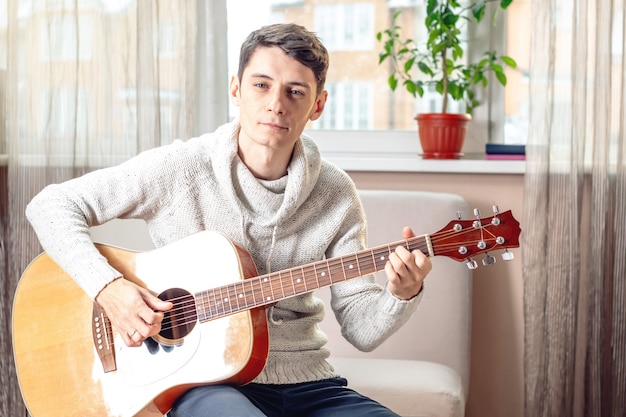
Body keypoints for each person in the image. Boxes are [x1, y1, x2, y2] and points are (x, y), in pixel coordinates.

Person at [26, 23, 432, 417]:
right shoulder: (182, 168)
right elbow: (49, 207)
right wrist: (110, 289)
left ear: (318, 105)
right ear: (236, 89)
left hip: (309, 385)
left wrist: (402, 294)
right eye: (261, 84)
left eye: (296, 91)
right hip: (203, 385)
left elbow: (361, 330)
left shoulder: (335, 193)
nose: (276, 103)